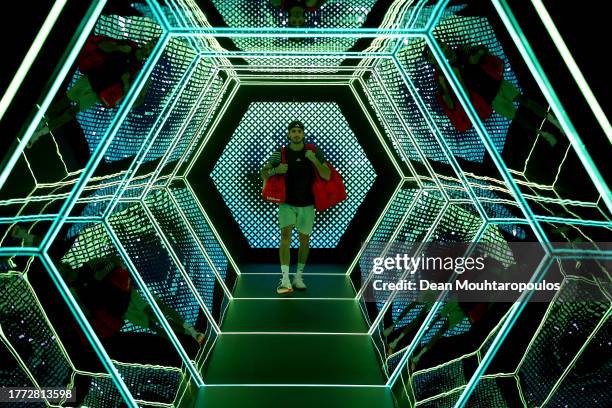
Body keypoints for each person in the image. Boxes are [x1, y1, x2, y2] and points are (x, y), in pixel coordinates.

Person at [29, 35, 155, 147]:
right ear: (147, 42)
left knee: (71, 112)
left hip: (100, 93)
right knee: (65, 101)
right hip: (92, 77)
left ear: (150, 54)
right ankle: (39, 123)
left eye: (151, 49)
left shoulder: (137, 68)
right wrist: (118, 48)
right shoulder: (129, 45)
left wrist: (126, 83)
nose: (148, 47)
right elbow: (103, 45)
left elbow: (130, 95)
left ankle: (39, 133)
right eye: (150, 44)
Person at [426, 43, 563, 146]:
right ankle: (543, 134)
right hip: (489, 98)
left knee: (524, 101)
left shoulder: (462, 50)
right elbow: (456, 96)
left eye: (442, 46)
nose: (444, 50)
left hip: (495, 82)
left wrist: (477, 55)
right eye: (439, 51)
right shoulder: (445, 73)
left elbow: (483, 49)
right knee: (517, 117)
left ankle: (554, 121)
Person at [261, 120, 331, 294]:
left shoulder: (313, 151)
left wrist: (314, 159)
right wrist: (275, 171)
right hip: (286, 204)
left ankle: (298, 276)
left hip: (307, 204)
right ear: (289, 134)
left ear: (303, 134)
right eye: (293, 131)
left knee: (304, 240)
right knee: (285, 238)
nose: (296, 134)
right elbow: (263, 173)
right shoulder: (280, 153)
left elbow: (327, 175)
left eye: (299, 131)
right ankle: (285, 279)